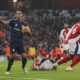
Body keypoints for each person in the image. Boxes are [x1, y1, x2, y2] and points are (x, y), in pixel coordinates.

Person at [0, 11, 31, 75]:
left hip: (20, 42)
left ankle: (23, 67)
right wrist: (1, 20)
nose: (17, 14)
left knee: (24, 56)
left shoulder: (25, 24)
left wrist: (27, 31)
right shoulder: (13, 21)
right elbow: (6, 22)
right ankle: (8, 70)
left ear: (22, 15)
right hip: (13, 42)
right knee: (12, 56)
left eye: (19, 13)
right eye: (16, 13)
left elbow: (30, 34)